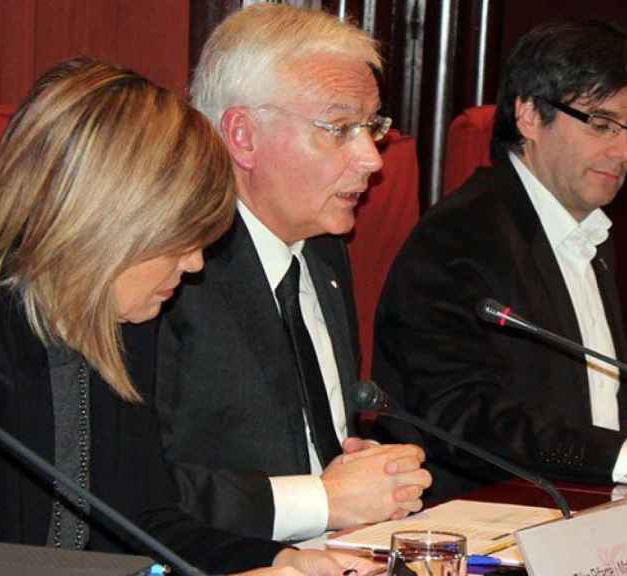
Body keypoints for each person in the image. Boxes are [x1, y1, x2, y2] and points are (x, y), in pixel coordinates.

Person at [0, 58, 373, 576]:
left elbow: (147, 525)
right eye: (182, 237)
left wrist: (282, 560)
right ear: (107, 223)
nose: (195, 264)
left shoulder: (119, 323)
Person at [373, 21, 627, 499]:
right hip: (487, 524)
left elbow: (575, 394)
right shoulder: (458, 239)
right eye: (601, 124)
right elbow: (463, 421)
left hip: (584, 511)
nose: (624, 151)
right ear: (528, 116)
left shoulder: (588, 229)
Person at [156, 3, 431, 542]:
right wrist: (322, 500)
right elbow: (141, 491)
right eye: (338, 127)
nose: (372, 159)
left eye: (371, 126)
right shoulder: (170, 272)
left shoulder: (324, 251)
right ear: (243, 136)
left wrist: (365, 473)